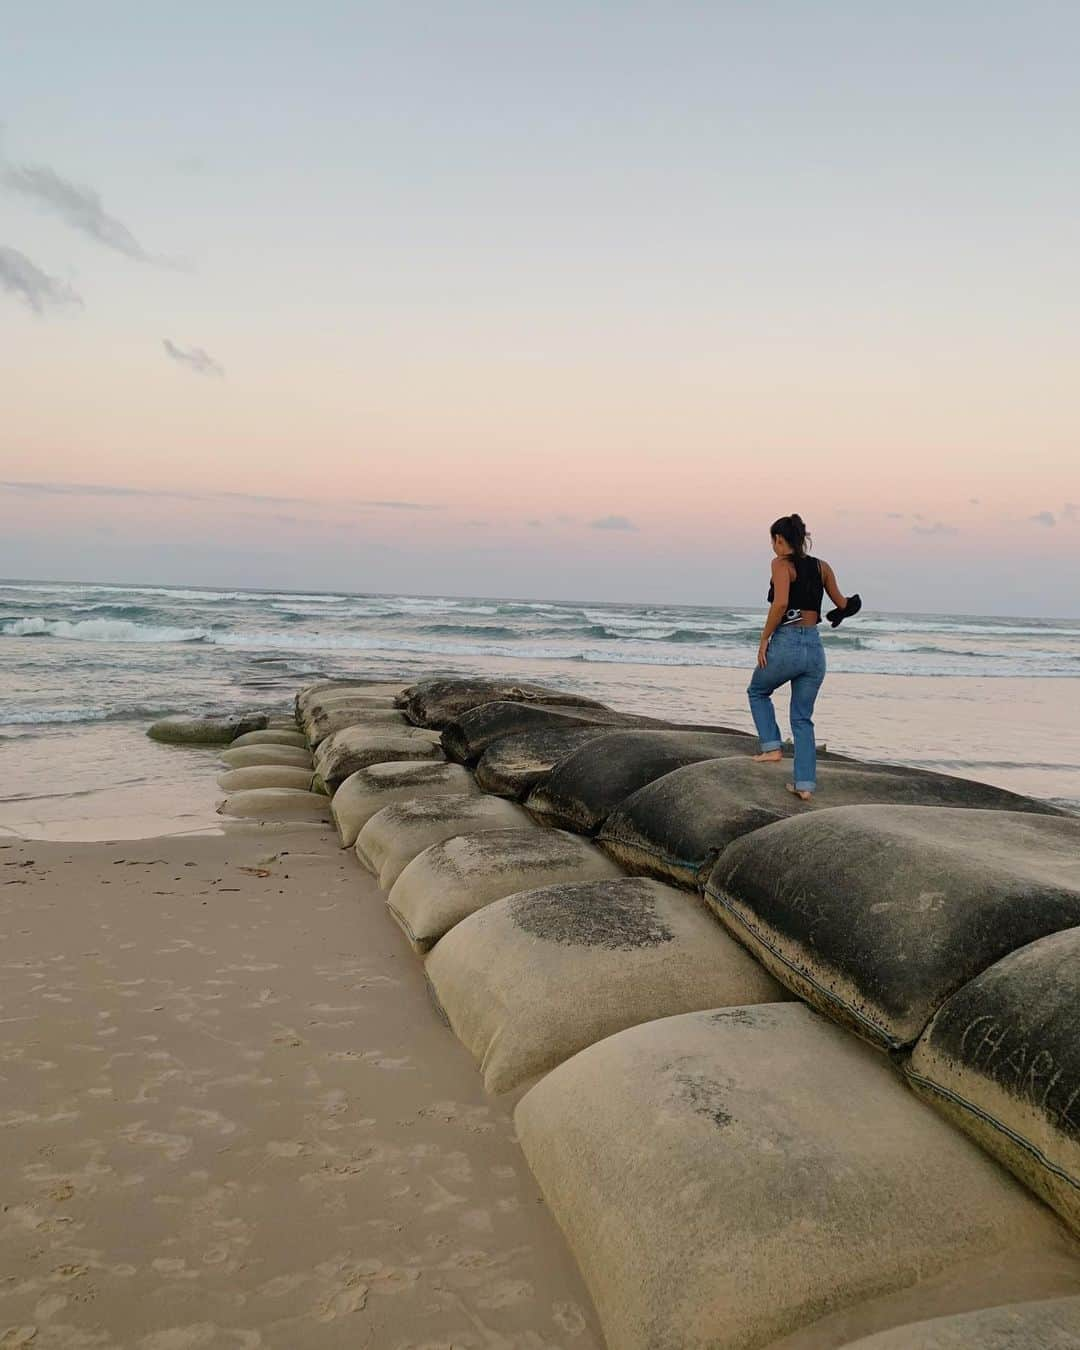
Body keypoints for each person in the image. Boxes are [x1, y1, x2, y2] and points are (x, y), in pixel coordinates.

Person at [747, 514, 853, 801]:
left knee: (757, 691)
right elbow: (843, 604)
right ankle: (804, 785)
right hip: (815, 650)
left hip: (788, 642)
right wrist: (843, 611)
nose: (773, 546)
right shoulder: (822, 567)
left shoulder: (781, 564)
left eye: (774, 541)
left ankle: (771, 747)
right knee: (803, 718)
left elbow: (780, 602)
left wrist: (765, 636)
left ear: (780, 540)